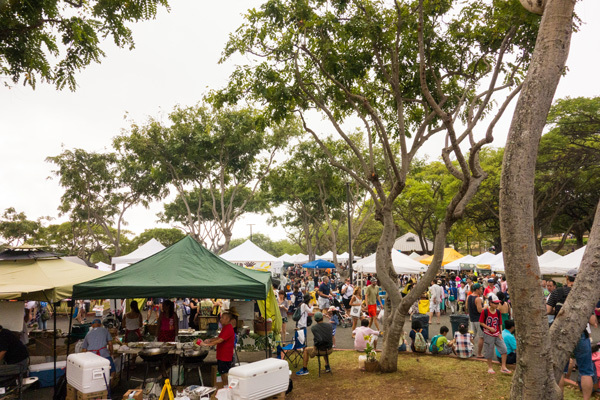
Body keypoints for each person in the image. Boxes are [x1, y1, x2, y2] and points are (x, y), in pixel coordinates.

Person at [547, 269, 595, 400]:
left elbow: (547, 310)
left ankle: (560, 397)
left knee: (559, 370)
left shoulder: (557, 292)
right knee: (586, 371)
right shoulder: (586, 294)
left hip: (560, 334)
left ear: (567, 279)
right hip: (580, 333)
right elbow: (593, 321)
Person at [200, 311, 237, 384]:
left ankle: (226, 388)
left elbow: (220, 340)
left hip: (225, 356)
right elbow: (219, 337)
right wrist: (209, 340)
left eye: (222, 318)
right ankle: (224, 387)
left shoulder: (228, 328)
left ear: (227, 319)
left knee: (224, 373)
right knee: (222, 372)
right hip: (221, 355)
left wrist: (207, 345)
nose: (221, 319)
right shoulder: (225, 327)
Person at [480, 293, 510, 374]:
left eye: (497, 303)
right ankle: (490, 367)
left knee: (504, 349)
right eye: (495, 303)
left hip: (497, 334)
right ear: (490, 303)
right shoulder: (485, 311)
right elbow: (481, 322)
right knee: (489, 351)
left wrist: (500, 333)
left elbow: (500, 323)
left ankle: (503, 367)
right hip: (488, 334)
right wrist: (489, 328)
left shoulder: (498, 312)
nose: (497, 305)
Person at [467, 283, 484, 358]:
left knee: (471, 336)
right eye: (480, 289)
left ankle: (469, 351)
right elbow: (480, 310)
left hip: (472, 319)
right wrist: (486, 307)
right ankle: (479, 353)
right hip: (479, 320)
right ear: (477, 290)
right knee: (481, 337)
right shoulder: (478, 299)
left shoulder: (469, 297)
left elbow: (467, 307)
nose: (481, 290)